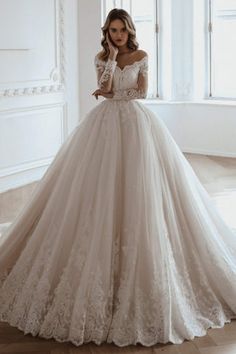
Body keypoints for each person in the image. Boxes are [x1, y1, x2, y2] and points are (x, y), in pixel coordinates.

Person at [0, 7, 236, 348]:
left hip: (138, 127)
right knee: (95, 191)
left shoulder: (142, 55)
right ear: (107, 33)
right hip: (104, 127)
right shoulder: (102, 56)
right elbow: (104, 86)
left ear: (130, 30)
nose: (117, 36)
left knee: (142, 191)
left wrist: (109, 94)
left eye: (121, 30)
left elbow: (140, 93)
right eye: (112, 31)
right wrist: (109, 63)